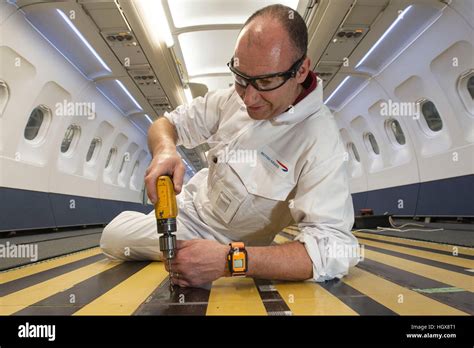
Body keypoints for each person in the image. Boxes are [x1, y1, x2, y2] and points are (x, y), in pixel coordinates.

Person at [100, 4, 360, 287]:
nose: (248, 99)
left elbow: (335, 248)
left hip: (231, 241)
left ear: (301, 71)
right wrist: (165, 149)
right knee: (113, 236)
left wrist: (231, 260)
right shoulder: (231, 99)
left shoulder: (320, 140)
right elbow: (167, 124)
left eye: (265, 82)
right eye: (240, 79)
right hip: (188, 210)